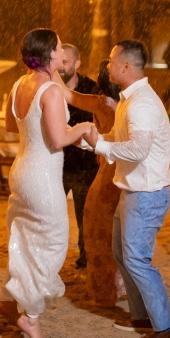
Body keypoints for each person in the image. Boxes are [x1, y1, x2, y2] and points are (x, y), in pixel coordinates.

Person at [0, 28, 94, 338]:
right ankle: (31, 316)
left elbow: (12, 127)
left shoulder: (19, 84)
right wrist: (83, 126)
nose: (63, 51)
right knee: (52, 243)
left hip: (21, 171)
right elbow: (58, 139)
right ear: (49, 54)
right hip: (42, 176)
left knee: (24, 240)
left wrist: (53, 128)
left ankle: (8, 301)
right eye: (60, 46)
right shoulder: (50, 90)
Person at [83, 40, 170, 338]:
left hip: (146, 194)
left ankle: (166, 326)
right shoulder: (130, 99)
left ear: (126, 66)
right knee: (122, 253)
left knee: (137, 259)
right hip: (132, 190)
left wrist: (100, 145)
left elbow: (138, 149)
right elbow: (122, 137)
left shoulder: (141, 104)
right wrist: (92, 140)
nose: (108, 65)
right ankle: (140, 316)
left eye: (112, 61)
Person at [60, 60, 123, 307]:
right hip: (127, 175)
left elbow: (68, 95)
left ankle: (105, 289)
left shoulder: (100, 103)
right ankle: (120, 284)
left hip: (108, 174)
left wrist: (48, 67)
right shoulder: (130, 105)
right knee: (115, 233)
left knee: (98, 231)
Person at [59, 44, 101, 269]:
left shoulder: (91, 89)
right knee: (53, 214)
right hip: (58, 162)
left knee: (86, 216)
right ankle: (51, 259)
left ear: (77, 64)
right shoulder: (50, 87)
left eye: (66, 62)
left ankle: (86, 258)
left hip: (86, 166)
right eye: (59, 61)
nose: (61, 67)